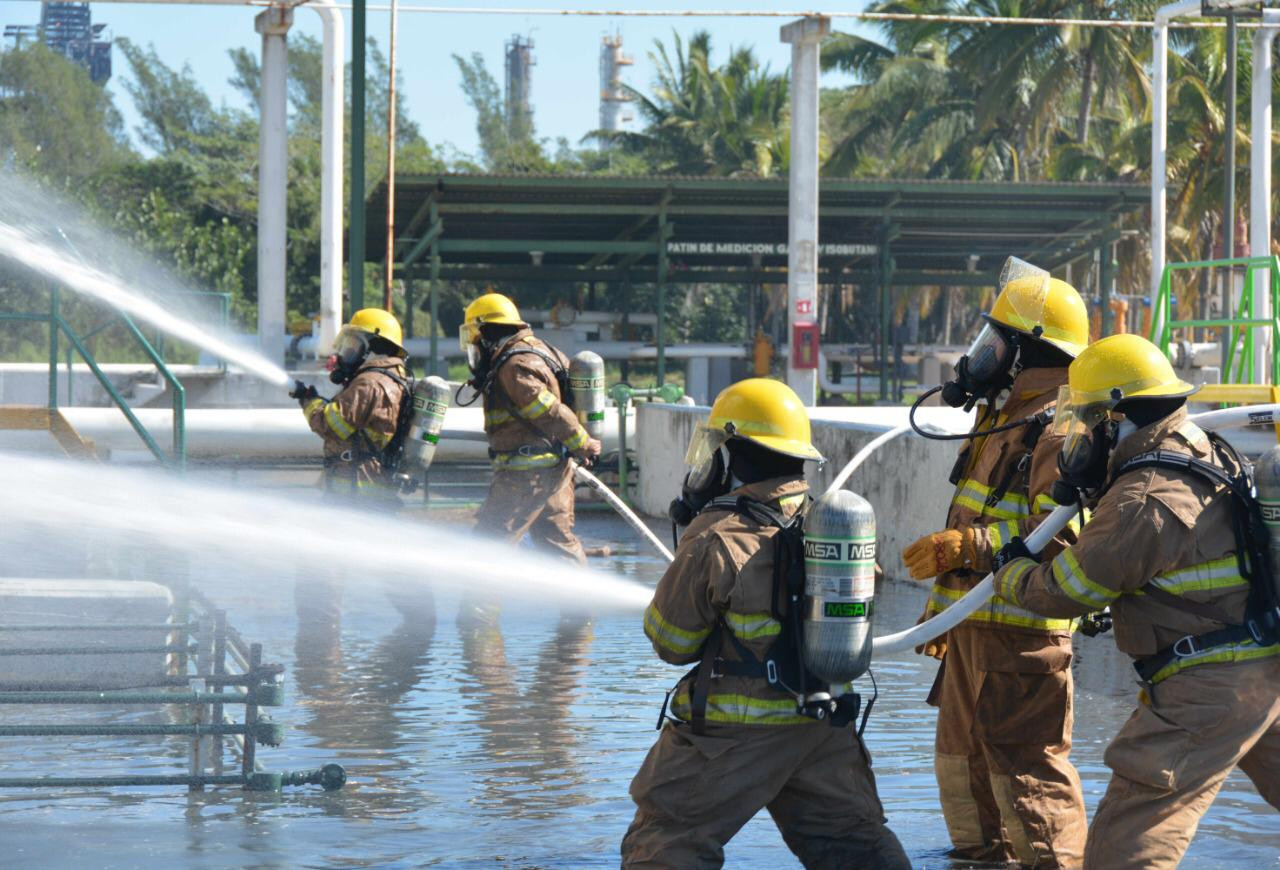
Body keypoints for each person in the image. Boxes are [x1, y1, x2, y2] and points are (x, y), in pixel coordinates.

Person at [993, 333, 1280, 869]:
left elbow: (1068, 590)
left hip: (1206, 688)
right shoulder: (1202, 450)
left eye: (1085, 424)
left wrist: (1011, 574)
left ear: (1114, 418)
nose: (1079, 442)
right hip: (1261, 672)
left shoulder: (1144, 494)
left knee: (1126, 842)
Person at [622, 378, 909, 869]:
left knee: (667, 841)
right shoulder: (829, 525)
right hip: (822, 725)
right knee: (854, 847)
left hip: (733, 734)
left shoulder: (719, 535)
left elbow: (671, 642)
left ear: (732, 456)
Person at [900, 259, 1089, 866]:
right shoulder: (1006, 415)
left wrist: (968, 547)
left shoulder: (1061, 425)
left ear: (1027, 351)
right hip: (972, 633)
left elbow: (1063, 533)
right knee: (963, 776)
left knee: (1028, 787)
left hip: (1020, 640)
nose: (981, 355)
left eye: (995, 342)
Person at [460, 293, 600, 564]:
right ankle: (580, 607)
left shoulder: (515, 365)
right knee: (559, 548)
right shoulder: (544, 351)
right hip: (554, 472)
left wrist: (584, 442)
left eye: (476, 335)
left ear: (488, 332)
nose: (475, 344)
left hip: (524, 476)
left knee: (488, 549)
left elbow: (548, 409)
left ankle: (477, 608)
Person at [290, 307, 411, 507]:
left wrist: (309, 400)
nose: (345, 354)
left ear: (374, 349)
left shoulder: (369, 383)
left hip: (357, 492)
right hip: (365, 487)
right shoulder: (388, 379)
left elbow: (331, 425)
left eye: (353, 346)